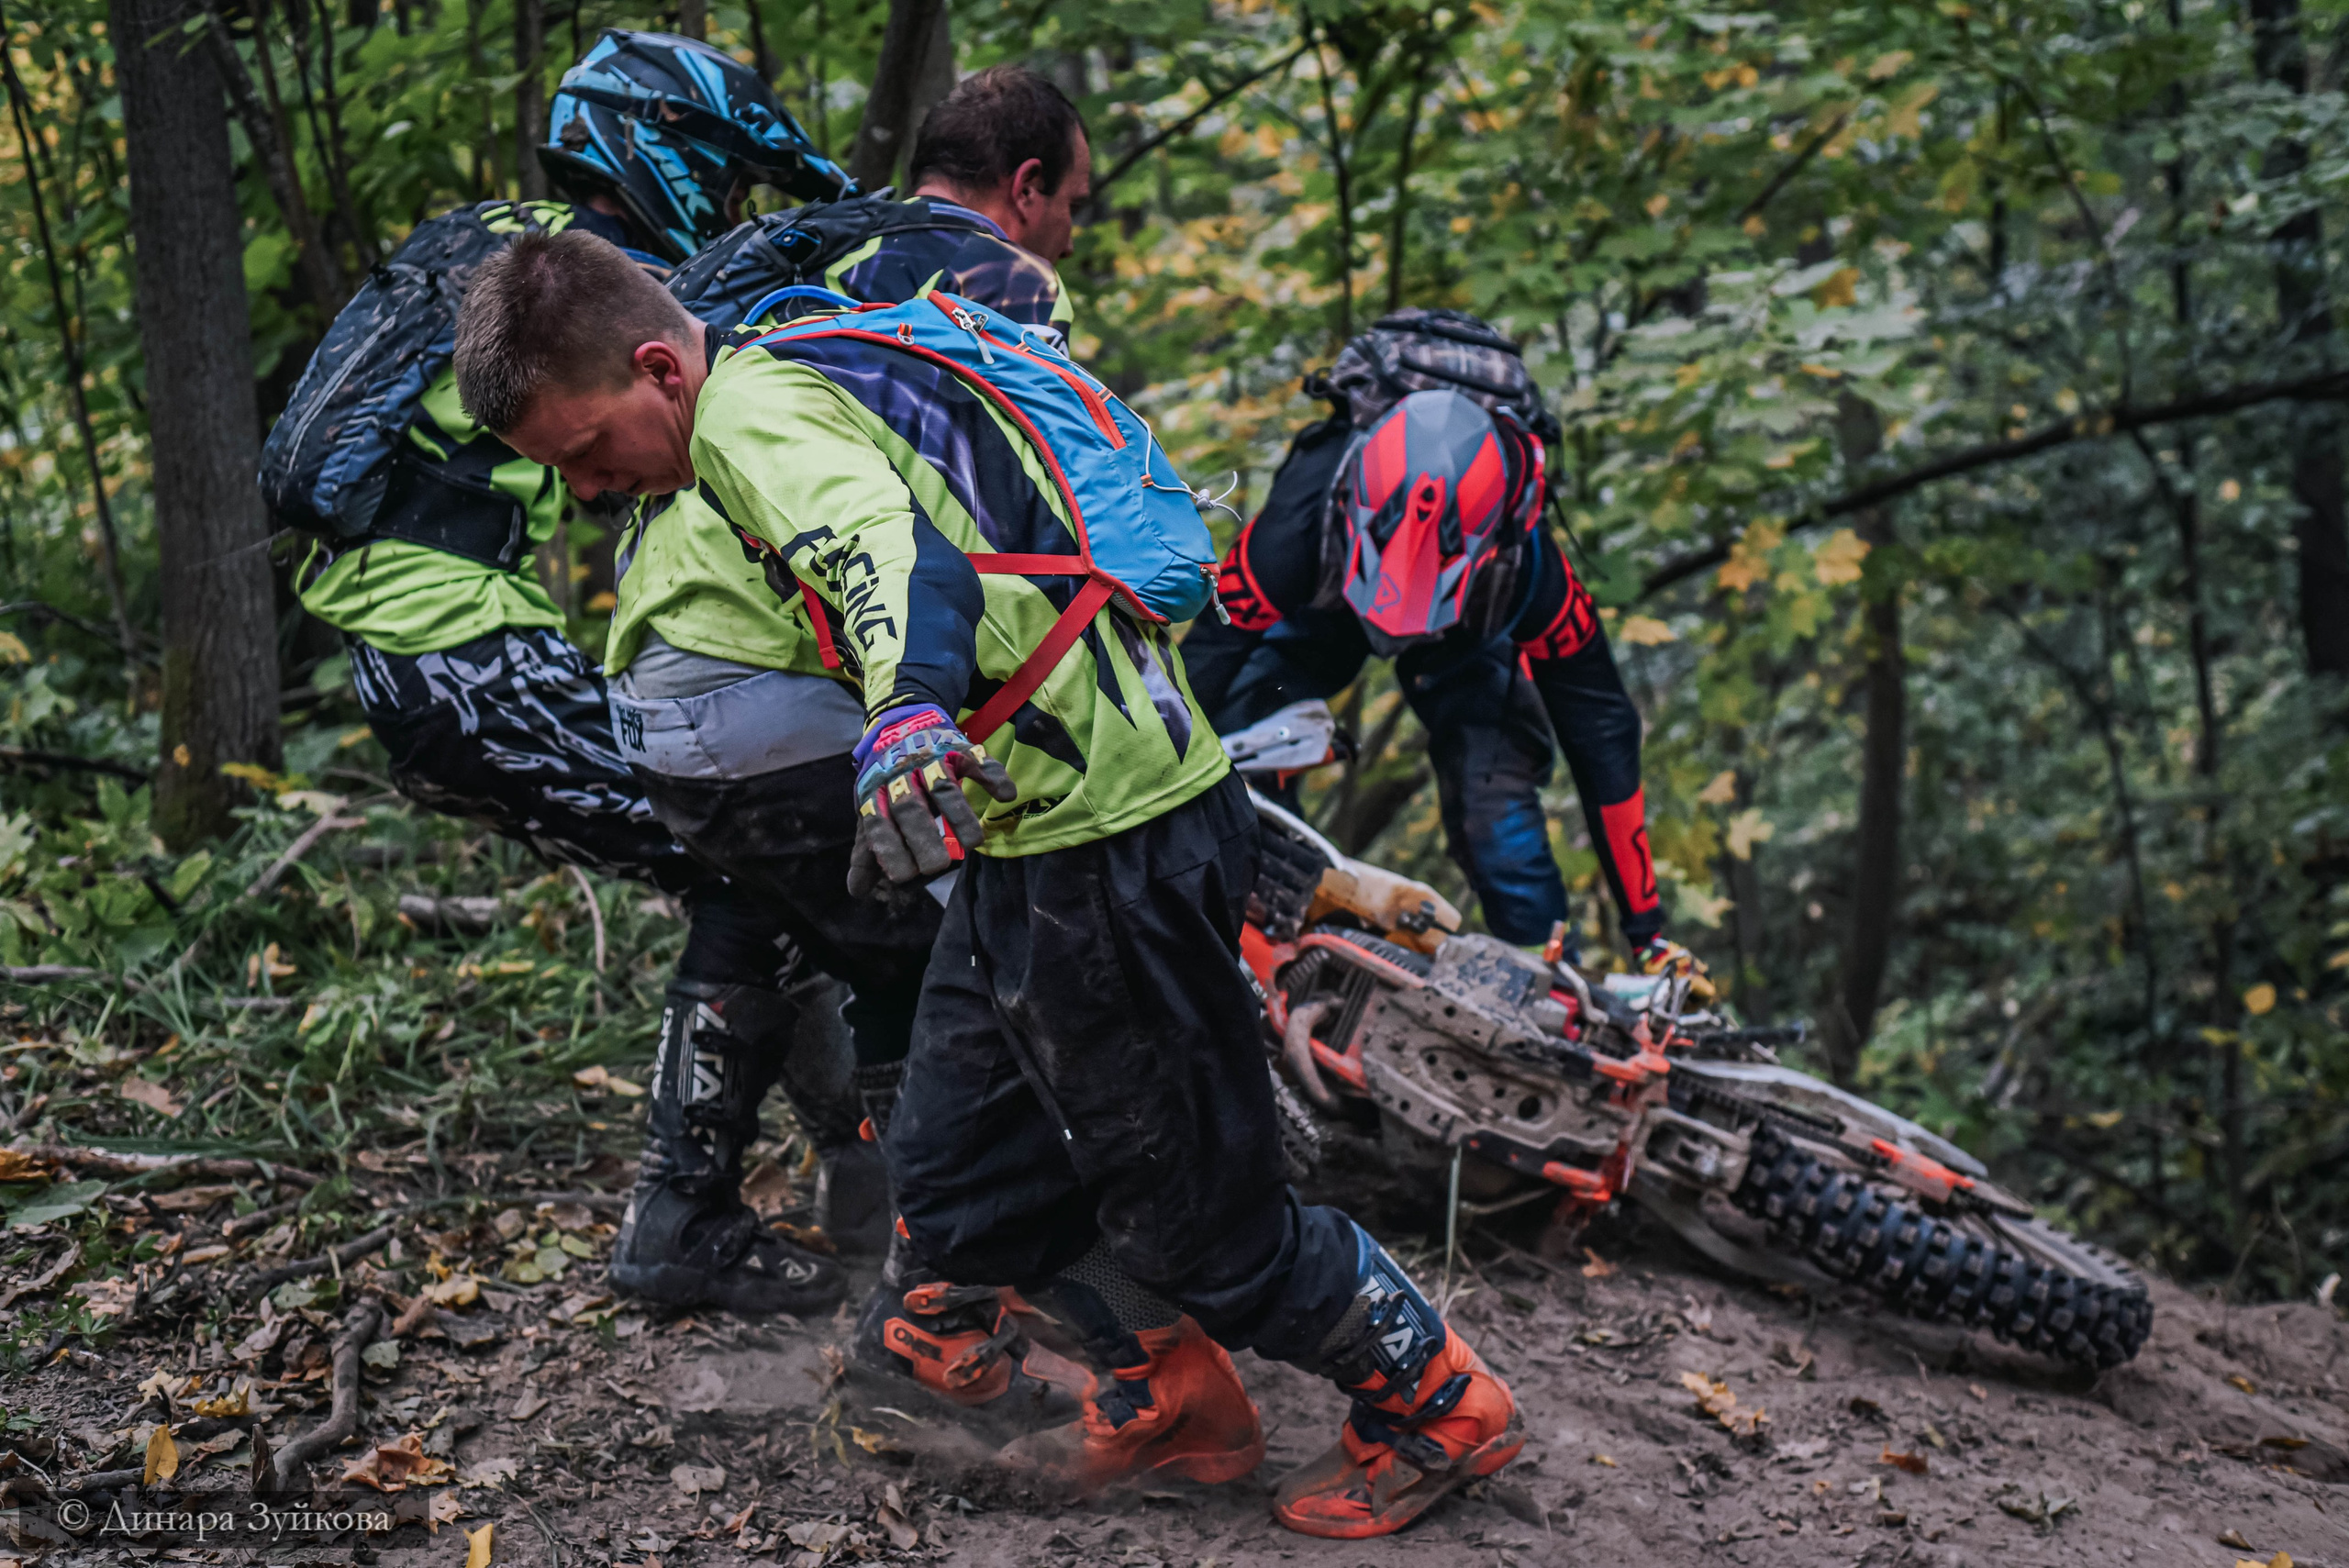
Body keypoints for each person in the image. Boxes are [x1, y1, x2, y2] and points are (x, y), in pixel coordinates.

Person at [451, 225, 1525, 1540]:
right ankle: (1170, 1398)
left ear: (660, 370)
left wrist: (905, 709)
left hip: (1112, 838)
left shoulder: (748, 417)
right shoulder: (794, 370)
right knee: (958, 1181)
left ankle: (1436, 1399)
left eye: (582, 448)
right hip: (1033, 840)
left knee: (1201, 1219)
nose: (584, 488)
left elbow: (897, 555)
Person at [286, 30, 862, 1316]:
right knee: (755, 852)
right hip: (458, 653)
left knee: (756, 862)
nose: (724, 208)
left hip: (441, 655)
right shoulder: (560, 275)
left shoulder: (496, 251)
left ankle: (854, 1169)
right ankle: (688, 1216)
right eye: (719, 178)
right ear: (659, 152)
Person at [605, 62, 1098, 1425]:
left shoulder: (811, 247)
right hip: (793, 670)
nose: (1070, 234)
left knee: (806, 915)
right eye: (1073, 202)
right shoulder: (999, 281)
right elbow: (1006, 509)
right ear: (1026, 189)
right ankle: (958, 1301)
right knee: (966, 959)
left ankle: (796, 1218)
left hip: (663, 663)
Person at [1182, 308, 1704, 983]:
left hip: (1470, 632)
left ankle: (1547, 986)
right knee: (1243, 742)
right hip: (1324, 611)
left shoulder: (1530, 569)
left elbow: (1602, 729)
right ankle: (1251, 930)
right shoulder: (1299, 520)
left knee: (1498, 812)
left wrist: (1649, 934)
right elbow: (1201, 668)